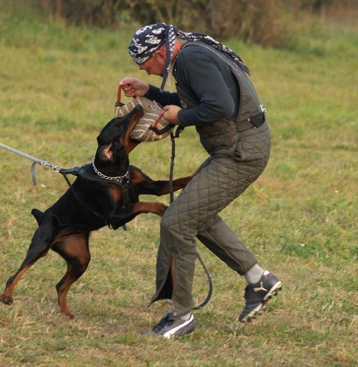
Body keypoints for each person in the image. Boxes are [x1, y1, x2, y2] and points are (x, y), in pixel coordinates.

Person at [119, 23, 282, 338]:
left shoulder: (192, 58)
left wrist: (178, 118)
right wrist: (148, 91)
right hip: (237, 147)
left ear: (162, 52)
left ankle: (180, 315)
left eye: (145, 63)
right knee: (195, 213)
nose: (145, 69)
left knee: (176, 222)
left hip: (240, 152)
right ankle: (259, 279)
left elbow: (220, 106)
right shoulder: (188, 57)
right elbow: (194, 100)